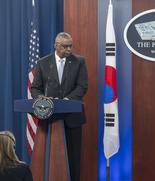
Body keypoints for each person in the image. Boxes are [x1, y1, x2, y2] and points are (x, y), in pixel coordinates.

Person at [31, 32, 88, 181]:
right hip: (49, 117)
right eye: (65, 46)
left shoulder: (79, 62)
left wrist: (67, 101)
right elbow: (35, 88)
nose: (69, 50)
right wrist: (42, 99)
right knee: (48, 157)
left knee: (73, 159)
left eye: (70, 46)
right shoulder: (43, 63)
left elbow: (82, 86)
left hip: (72, 119)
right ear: (56, 45)